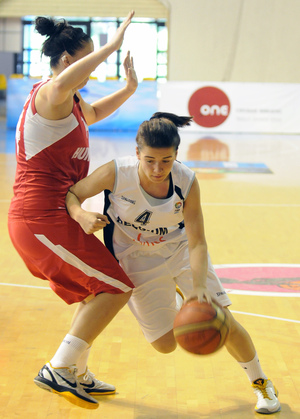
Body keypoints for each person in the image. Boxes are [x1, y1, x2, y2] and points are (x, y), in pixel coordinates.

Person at [66, 112, 281, 415]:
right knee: (165, 344)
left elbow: (198, 242)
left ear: (176, 156)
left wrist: (200, 289)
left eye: (166, 161)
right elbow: (73, 194)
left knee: (223, 320)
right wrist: (82, 215)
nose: (157, 169)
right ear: (137, 153)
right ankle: (180, 305)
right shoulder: (115, 173)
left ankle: (261, 382)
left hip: (180, 252)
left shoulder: (186, 181)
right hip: (135, 261)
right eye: (150, 160)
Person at [8, 12, 138, 410]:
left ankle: (78, 371)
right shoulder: (51, 93)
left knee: (93, 293)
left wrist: (130, 88)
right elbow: (68, 81)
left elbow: (95, 114)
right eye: (87, 62)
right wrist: (110, 47)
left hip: (53, 215)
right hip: (38, 216)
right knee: (116, 287)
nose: (91, 73)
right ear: (67, 60)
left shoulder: (72, 103)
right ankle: (59, 367)